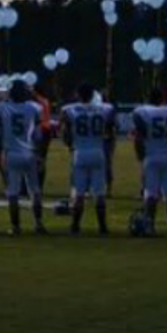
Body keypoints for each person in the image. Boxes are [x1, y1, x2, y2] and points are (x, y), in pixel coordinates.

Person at [62, 84, 116, 235]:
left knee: (79, 193)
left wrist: (70, 143)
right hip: (98, 151)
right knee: (99, 193)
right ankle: (103, 227)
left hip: (80, 152)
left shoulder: (70, 109)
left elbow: (66, 133)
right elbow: (111, 129)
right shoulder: (105, 109)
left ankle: (75, 226)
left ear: (78, 94)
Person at [0, 78, 47, 235]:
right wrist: (40, 154)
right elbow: (39, 135)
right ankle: (39, 223)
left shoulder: (4, 107)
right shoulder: (34, 107)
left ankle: (16, 226)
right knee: (35, 190)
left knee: (13, 192)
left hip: (12, 153)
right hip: (30, 152)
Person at [132, 86, 167, 235]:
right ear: (163, 98)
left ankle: (150, 226)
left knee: (151, 194)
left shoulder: (143, 112)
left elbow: (138, 137)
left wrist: (140, 155)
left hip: (152, 155)